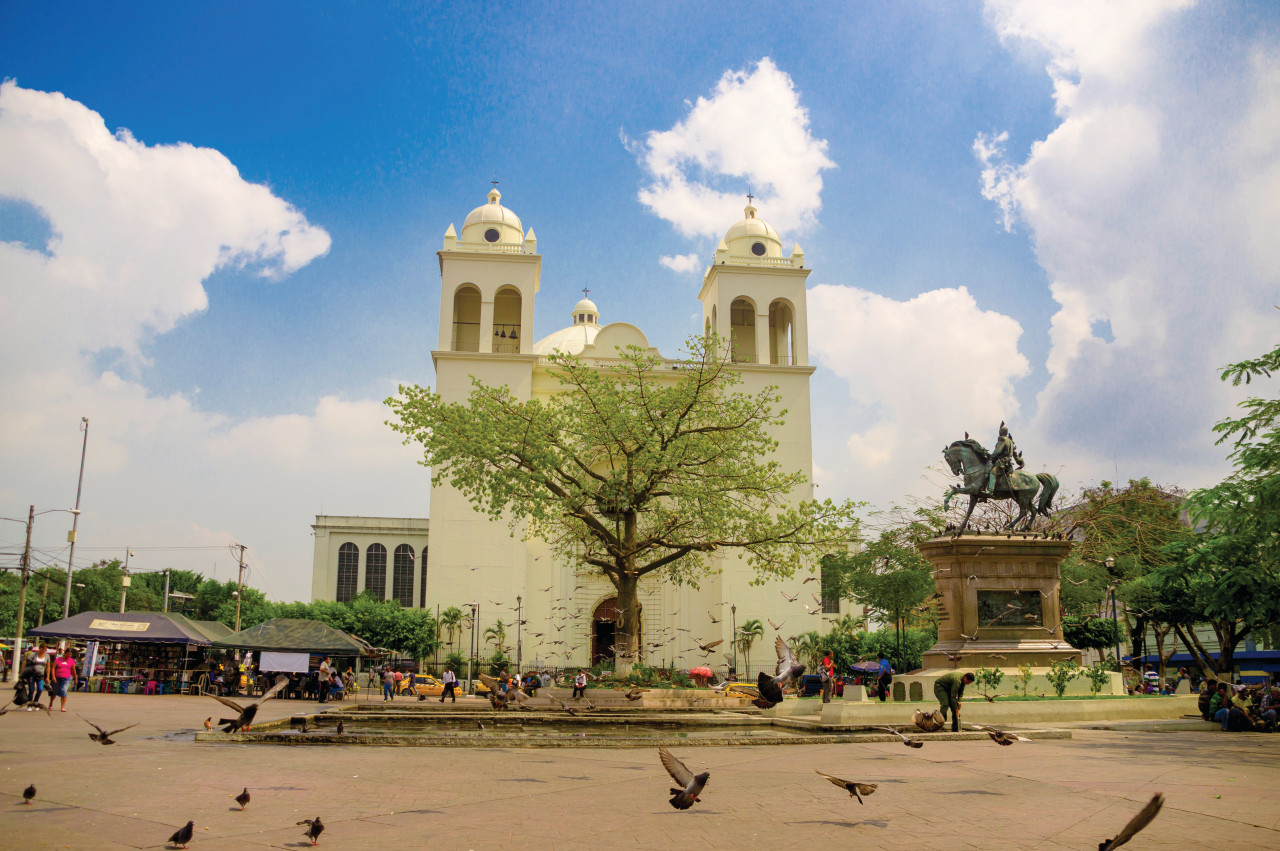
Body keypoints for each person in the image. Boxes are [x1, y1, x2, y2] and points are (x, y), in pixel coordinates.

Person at [24, 642, 53, 711]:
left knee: (40, 689)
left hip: (41, 675)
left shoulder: (47, 656)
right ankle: (29, 705)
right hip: (31, 674)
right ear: (40, 648)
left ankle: (36, 702)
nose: (44, 651)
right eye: (44, 649)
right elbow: (26, 664)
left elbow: (48, 667)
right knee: (31, 690)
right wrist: (23, 674)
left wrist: (47, 677)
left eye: (45, 649)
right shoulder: (33, 655)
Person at [51, 646, 77, 713]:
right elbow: (53, 668)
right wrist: (53, 676)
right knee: (54, 692)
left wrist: (75, 678)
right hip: (57, 677)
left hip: (66, 677)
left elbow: (73, 670)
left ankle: (62, 707)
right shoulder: (58, 659)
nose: (69, 656)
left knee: (64, 691)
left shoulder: (72, 660)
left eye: (70, 654)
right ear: (64, 653)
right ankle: (51, 703)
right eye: (68, 654)